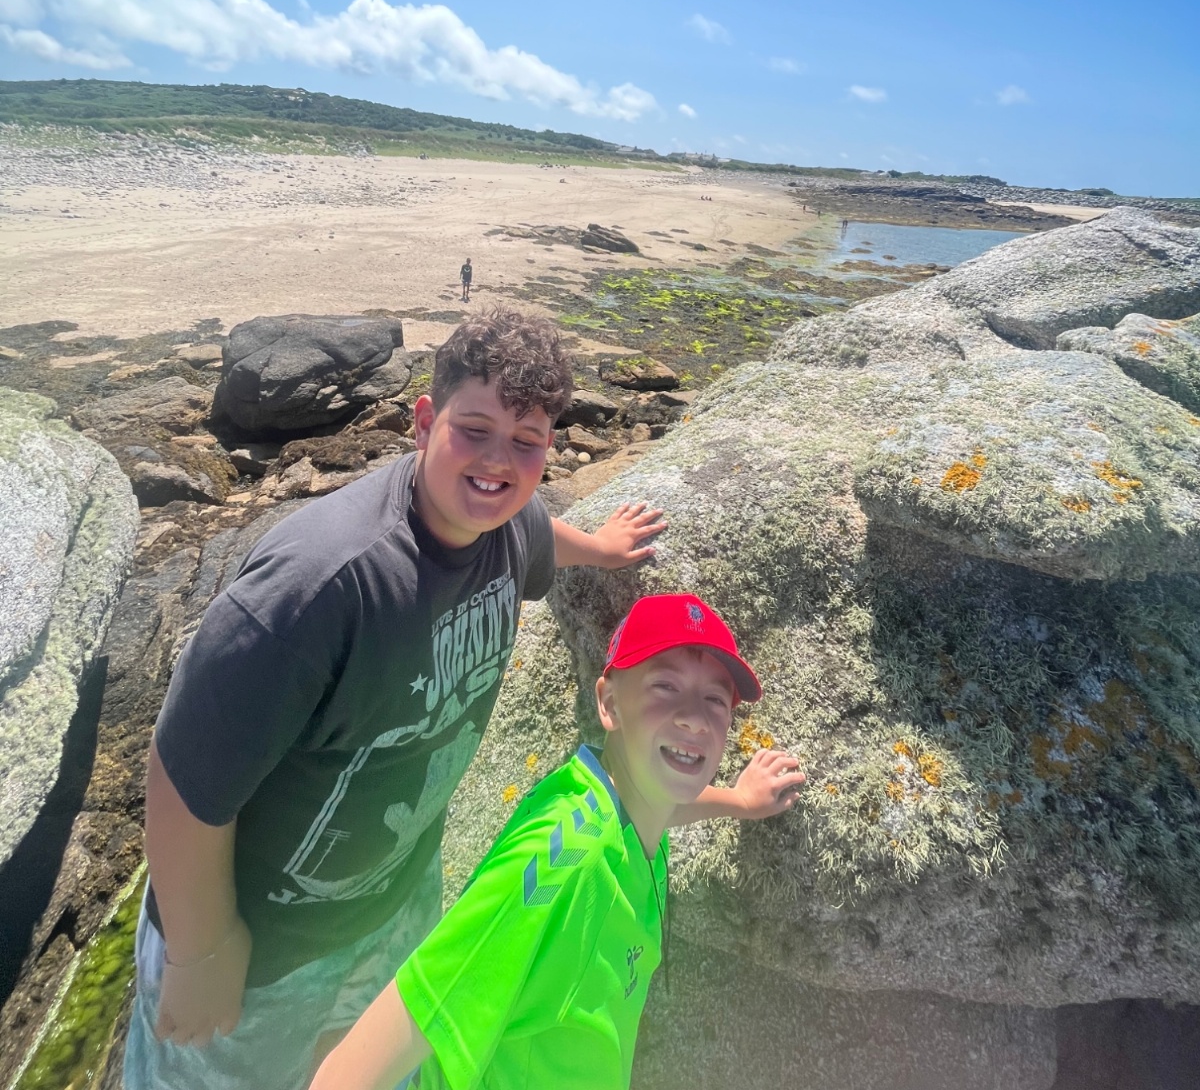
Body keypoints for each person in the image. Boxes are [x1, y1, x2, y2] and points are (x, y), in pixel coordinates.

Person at [125, 307, 672, 1090]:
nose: (498, 462)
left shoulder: (508, 526)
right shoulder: (321, 584)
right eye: (474, 431)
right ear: (423, 422)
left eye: (526, 442)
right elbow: (183, 777)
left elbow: (539, 533)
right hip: (264, 948)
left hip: (395, 904)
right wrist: (201, 949)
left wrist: (604, 548)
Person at [311, 593, 805, 1090]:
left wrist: (741, 801)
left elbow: (658, 805)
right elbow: (346, 1075)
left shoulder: (619, 800)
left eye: (715, 700)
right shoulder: (559, 869)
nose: (695, 718)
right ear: (609, 703)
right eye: (665, 686)